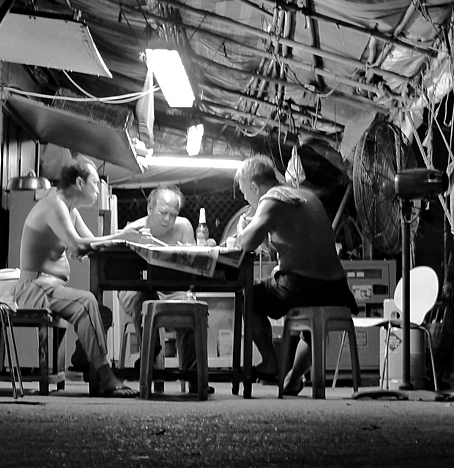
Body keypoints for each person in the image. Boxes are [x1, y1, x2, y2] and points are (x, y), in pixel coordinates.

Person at [14, 157, 145, 397]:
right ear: (79, 182)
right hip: (35, 287)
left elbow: (92, 242)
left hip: (50, 287)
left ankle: (84, 359)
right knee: (87, 302)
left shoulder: (70, 211)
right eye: (94, 183)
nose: (97, 190)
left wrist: (125, 236)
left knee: (102, 313)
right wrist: (119, 236)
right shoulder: (55, 205)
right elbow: (78, 246)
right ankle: (106, 377)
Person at [233, 154, 358, 395]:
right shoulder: (307, 195)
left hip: (302, 286)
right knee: (311, 328)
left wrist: (241, 230)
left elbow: (246, 243)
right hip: (337, 289)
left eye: (243, 191)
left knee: (248, 297)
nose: (245, 198)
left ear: (254, 187)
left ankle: (270, 363)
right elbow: (297, 242)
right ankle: (293, 378)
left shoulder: (271, 199)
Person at [117, 185, 210, 394]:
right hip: (137, 289)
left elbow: (192, 268)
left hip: (173, 289)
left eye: (173, 214)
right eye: (163, 212)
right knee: (145, 301)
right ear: (150, 208)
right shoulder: (134, 229)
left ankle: (194, 376)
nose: (168, 219)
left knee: (192, 307)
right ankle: (149, 359)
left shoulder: (184, 227)